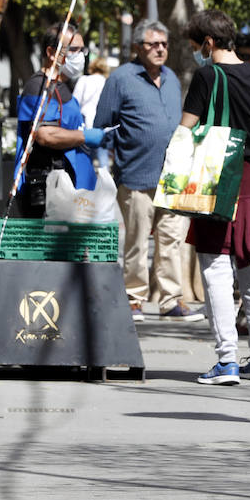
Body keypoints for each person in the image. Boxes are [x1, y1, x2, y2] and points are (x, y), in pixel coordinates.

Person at [183, 10, 250, 385]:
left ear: (208, 44)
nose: (198, 53)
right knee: (249, 262)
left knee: (214, 264)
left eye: (198, 46)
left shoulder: (208, 75)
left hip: (216, 174)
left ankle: (226, 359)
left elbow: (187, 128)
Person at [93, 21, 200, 322]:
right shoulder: (122, 79)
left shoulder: (171, 79)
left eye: (164, 44)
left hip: (172, 177)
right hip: (136, 175)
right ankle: (133, 299)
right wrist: (123, 147)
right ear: (137, 47)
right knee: (137, 242)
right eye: (153, 44)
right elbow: (102, 124)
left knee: (171, 241)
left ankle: (170, 300)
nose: (160, 49)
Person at [13, 22, 105, 217]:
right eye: (73, 50)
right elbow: (45, 134)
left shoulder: (64, 86)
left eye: (82, 50)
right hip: (50, 190)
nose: (80, 56)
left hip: (73, 188)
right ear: (51, 52)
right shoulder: (38, 87)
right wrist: (84, 136)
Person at [73, 55, 111, 129]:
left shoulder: (83, 80)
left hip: (83, 120)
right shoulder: (107, 83)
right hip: (100, 122)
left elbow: (75, 101)